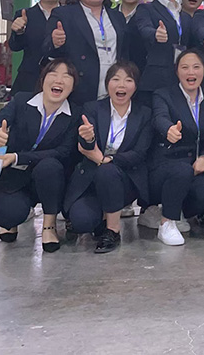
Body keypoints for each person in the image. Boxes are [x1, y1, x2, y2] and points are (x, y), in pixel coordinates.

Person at [0, 59, 79, 253]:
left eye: (66, 76)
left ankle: (49, 225)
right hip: (12, 175)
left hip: (47, 178)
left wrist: (17, 157)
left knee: (50, 166)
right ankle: (14, 217)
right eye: (53, 74)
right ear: (43, 79)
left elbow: (63, 152)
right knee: (9, 216)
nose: (59, 80)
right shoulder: (21, 101)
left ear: (73, 86)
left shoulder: (75, 114)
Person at [64, 62, 152, 253]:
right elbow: (84, 146)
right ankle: (102, 218)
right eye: (116, 79)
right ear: (107, 84)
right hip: (93, 179)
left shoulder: (144, 113)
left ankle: (113, 230)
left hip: (125, 178)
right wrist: (88, 139)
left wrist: (107, 161)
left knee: (108, 171)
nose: (121, 85)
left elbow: (139, 153)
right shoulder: (93, 108)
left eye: (128, 80)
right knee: (81, 222)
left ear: (135, 86)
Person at [143, 50, 204, 246]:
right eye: (184, 67)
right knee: (181, 171)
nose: (190, 72)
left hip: (195, 165)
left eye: (196, 67)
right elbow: (159, 117)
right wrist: (168, 129)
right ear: (176, 71)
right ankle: (167, 222)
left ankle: (179, 210)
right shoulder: (163, 95)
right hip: (166, 164)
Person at [43, 0, 127, 106]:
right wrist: (55, 43)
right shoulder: (64, 14)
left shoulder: (117, 17)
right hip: (79, 92)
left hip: (114, 91)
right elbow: (46, 50)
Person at [131, 0, 189, 107]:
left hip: (181, 81)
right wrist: (155, 34)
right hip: (155, 82)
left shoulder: (185, 16)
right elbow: (144, 28)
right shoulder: (146, 9)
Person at [9, 0, 65, 93]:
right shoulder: (24, 15)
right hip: (29, 80)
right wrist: (19, 32)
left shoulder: (70, 16)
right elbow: (15, 46)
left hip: (61, 80)